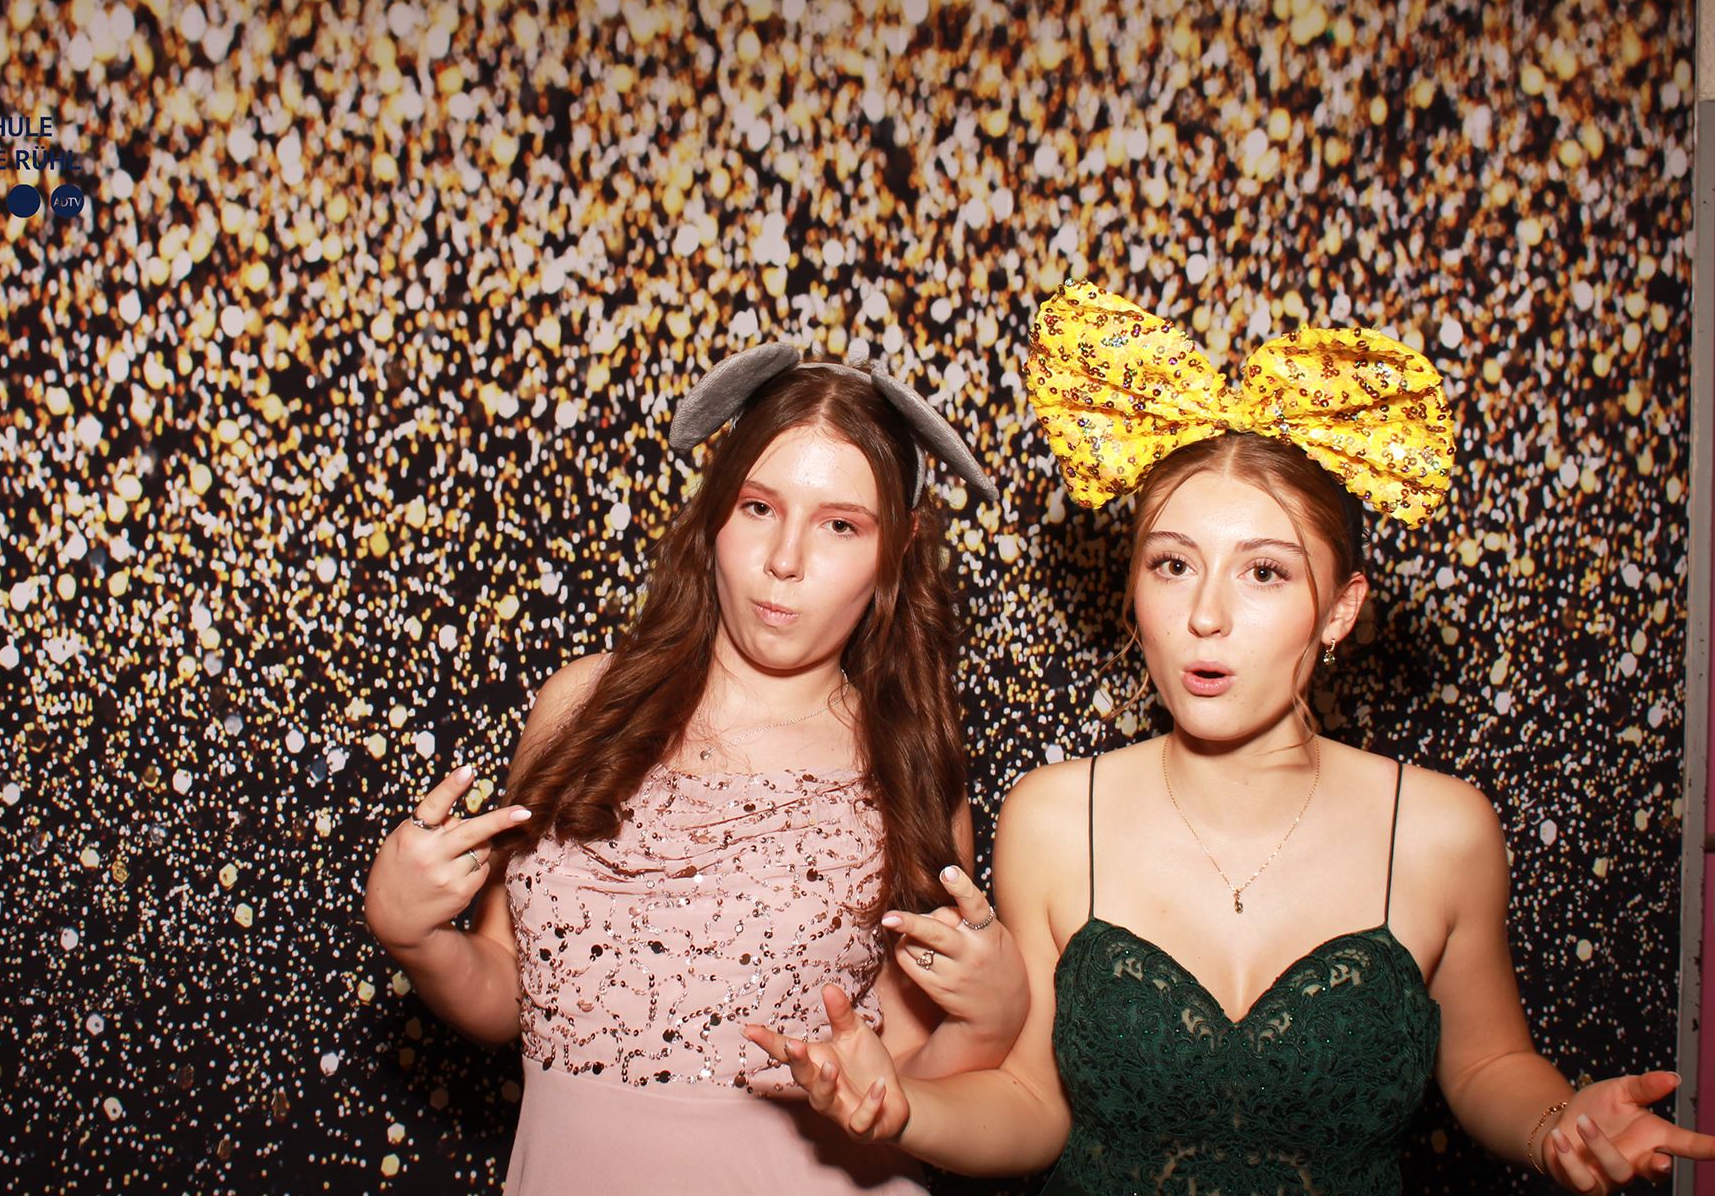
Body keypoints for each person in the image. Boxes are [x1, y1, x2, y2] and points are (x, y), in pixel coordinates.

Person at [748, 281, 1715, 1194]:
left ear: (1339, 610)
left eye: (1265, 573)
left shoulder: (1440, 831)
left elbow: (1489, 1063)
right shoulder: (1053, 817)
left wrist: (1557, 1127)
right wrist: (903, 1109)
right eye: (1173, 565)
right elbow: (1032, 1105)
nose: (1205, 616)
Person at [363, 344, 1028, 1195]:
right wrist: (414, 936)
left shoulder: (905, 770)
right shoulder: (578, 707)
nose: (784, 558)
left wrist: (988, 1021)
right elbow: (510, 994)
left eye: (840, 525)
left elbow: (901, 1078)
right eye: (758, 507)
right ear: (715, 512)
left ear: (895, 550)